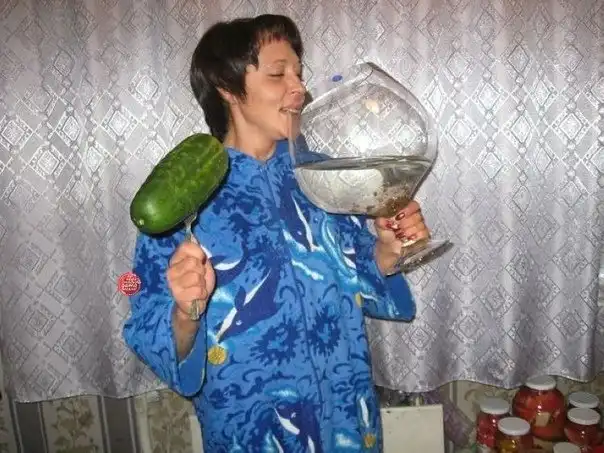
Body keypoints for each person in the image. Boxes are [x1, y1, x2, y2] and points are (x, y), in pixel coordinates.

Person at [123, 14, 430, 453]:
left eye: (299, 73)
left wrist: (386, 250)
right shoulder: (181, 194)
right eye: (277, 74)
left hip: (345, 413)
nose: (299, 88)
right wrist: (185, 313)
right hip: (250, 425)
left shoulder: (322, 175)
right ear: (227, 88)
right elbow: (141, 313)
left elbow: (359, 272)